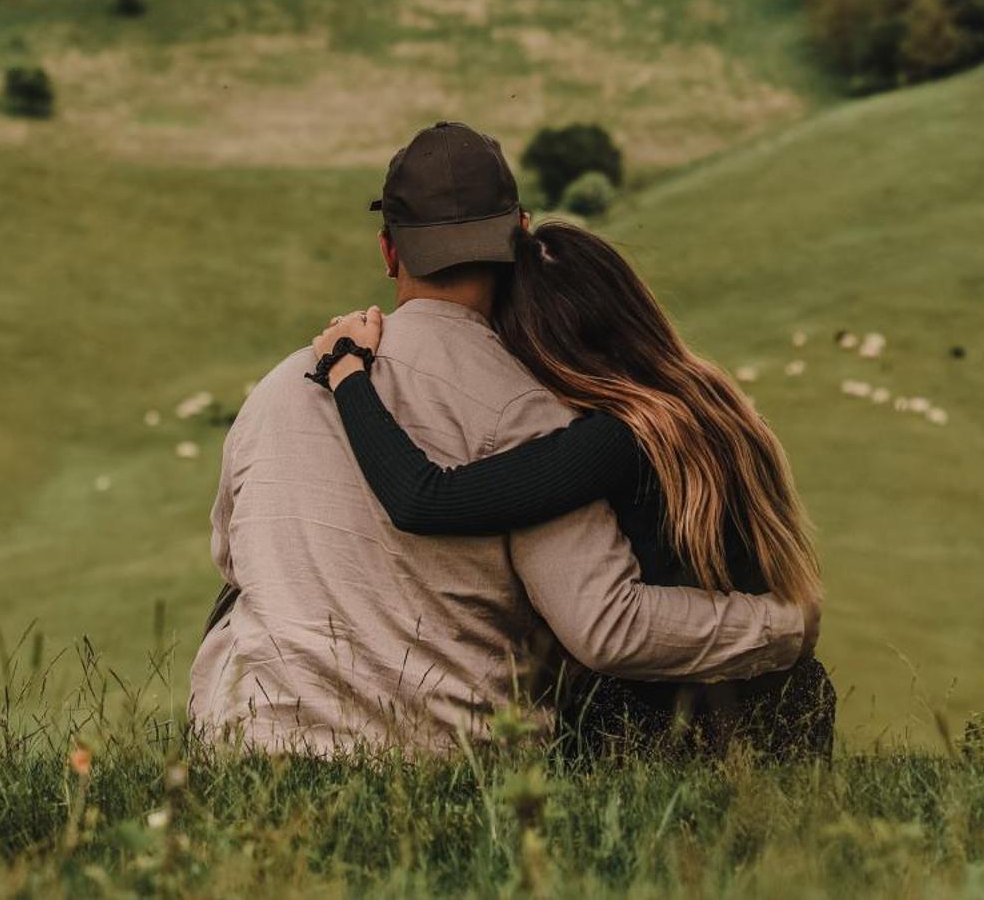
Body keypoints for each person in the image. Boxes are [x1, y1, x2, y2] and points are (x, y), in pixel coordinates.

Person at [188, 121, 818, 755]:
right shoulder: (533, 407)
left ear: (388, 252)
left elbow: (238, 559)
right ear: (517, 236)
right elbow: (599, 623)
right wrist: (785, 622)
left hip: (252, 748)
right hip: (449, 756)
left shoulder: (278, 387)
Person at [313, 216, 833, 757]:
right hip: (790, 697)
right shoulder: (713, 406)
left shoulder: (616, 439)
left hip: (671, 719)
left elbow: (421, 497)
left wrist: (348, 373)